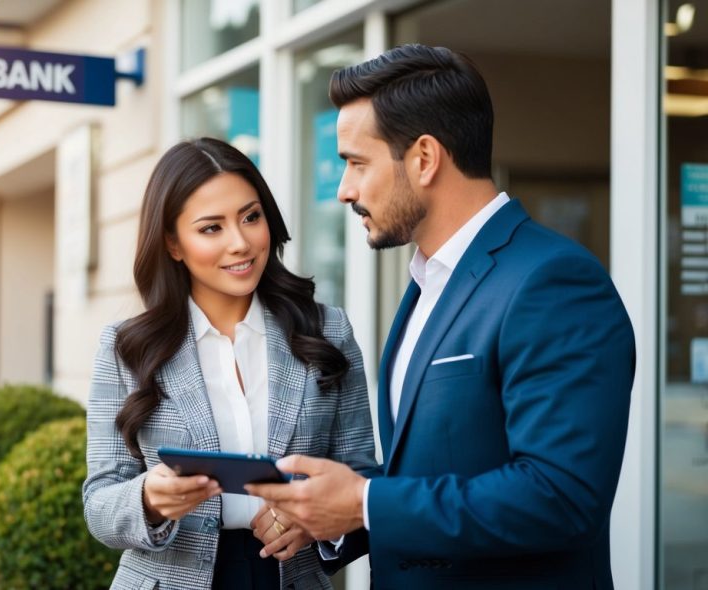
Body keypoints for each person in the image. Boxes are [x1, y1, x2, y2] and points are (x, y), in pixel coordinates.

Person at [247, 44, 636, 589]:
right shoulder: (426, 283)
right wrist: (329, 514)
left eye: (357, 163)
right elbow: (432, 472)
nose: (344, 191)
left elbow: (562, 497)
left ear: (425, 158)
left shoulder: (554, 283)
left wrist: (365, 503)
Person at [82, 137, 376, 590]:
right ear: (173, 244)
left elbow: (363, 478)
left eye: (250, 217)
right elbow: (99, 504)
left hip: (290, 577)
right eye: (211, 228)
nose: (240, 243)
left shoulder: (327, 331)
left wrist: (316, 520)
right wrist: (149, 499)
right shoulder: (126, 348)